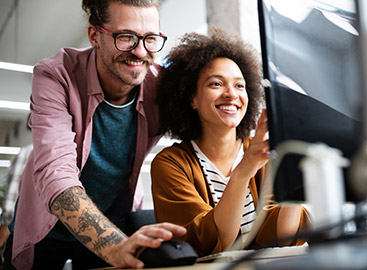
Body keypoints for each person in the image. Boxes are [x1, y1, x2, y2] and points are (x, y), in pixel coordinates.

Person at [2, 0, 186, 269]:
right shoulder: (56, 75)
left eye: (150, 39)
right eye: (126, 38)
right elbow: (56, 173)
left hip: (112, 220)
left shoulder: (160, 86)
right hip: (46, 226)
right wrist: (114, 246)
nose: (140, 51)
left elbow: (203, 134)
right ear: (94, 36)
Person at [151, 28, 311, 257]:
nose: (231, 94)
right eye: (216, 84)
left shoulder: (261, 152)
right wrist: (243, 171)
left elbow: (282, 235)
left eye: (239, 85)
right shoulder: (170, 164)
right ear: (192, 98)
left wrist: (293, 167)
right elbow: (212, 243)